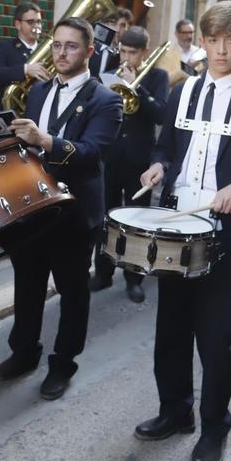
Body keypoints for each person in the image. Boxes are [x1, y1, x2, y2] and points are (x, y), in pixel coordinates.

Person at [133, 1, 231, 461]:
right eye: (213, 39)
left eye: (230, 40)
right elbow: (166, 146)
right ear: (202, 42)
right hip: (177, 227)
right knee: (171, 331)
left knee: (215, 338)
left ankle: (213, 426)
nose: (221, 49)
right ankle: (174, 411)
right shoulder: (182, 92)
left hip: (224, 235)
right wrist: (159, 165)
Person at [0, 16, 122, 401]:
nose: (61, 52)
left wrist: (46, 140)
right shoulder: (37, 91)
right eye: (57, 45)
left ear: (90, 51)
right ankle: (24, 352)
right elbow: (29, 148)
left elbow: (93, 154)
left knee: (72, 291)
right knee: (27, 284)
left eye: (71, 46)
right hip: (33, 207)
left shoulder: (107, 100)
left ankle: (63, 363)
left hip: (74, 212)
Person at [90, 26, 169, 302]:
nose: (126, 57)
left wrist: (138, 85)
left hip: (140, 161)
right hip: (110, 156)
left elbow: (160, 114)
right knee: (105, 217)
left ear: (144, 52)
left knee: (137, 221)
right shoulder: (109, 71)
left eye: (132, 52)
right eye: (123, 50)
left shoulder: (158, 76)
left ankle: (134, 278)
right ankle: (102, 273)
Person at [0, 1, 48, 103]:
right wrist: (25, 70)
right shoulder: (5, 48)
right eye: (31, 22)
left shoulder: (49, 49)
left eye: (39, 22)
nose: (37, 27)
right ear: (18, 24)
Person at [156, 18, 206, 86]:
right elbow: (163, 81)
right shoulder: (166, 54)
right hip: (174, 95)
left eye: (191, 32)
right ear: (176, 34)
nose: (189, 36)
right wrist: (186, 68)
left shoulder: (201, 53)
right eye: (185, 33)